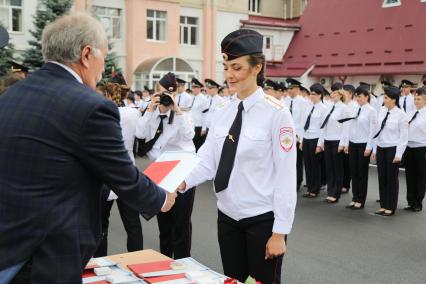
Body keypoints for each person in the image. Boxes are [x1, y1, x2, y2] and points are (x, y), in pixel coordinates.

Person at [0, 13, 176, 283]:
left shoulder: (12, 95)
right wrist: (162, 198)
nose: (103, 67)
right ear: (85, 54)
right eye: (103, 56)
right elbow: (123, 177)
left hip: (10, 249)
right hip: (46, 259)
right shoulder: (90, 105)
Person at [178, 29, 296, 283]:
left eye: (237, 67)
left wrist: (280, 232)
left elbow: (286, 176)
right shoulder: (221, 110)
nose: (229, 75)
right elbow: (207, 160)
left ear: (257, 67)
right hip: (228, 218)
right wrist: (180, 181)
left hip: (262, 221)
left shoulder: (277, 114)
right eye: (226, 67)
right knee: (233, 280)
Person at [136, 72, 196, 259]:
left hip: (181, 170)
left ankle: (183, 262)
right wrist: (151, 110)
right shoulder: (150, 112)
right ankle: (165, 260)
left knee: (181, 222)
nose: (165, 98)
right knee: (164, 221)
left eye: (169, 95)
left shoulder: (183, 114)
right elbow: (140, 133)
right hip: (160, 170)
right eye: (162, 94)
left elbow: (189, 136)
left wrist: (176, 110)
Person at [94, 82, 144, 257]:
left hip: (105, 173)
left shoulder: (100, 112)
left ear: (107, 95)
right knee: (132, 225)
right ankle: (137, 261)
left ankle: (100, 263)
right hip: (127, 171)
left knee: (101, 224)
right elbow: (142, 136)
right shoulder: (133, 112)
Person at [372, 86, 409, 216]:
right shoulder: (381, 110)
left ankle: (390, 206)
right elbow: (377, 130)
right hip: (381, 148)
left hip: (392, 149)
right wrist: (375, 149)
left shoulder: (401, 115)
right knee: (382, 177)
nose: (384, 99)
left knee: (392, 179)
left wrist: (399, 155)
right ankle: (383, 204)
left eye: (386, 97)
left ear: (393, 100)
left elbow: (403, 138)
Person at [342, 85, 377, 210]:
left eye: (360, 96)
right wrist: (346, 143)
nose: (357, 99)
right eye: (356, 96)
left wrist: (369, 147)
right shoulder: (355, 108)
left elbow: (372, 131)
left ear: (367, 97)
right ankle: (355, 197)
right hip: (353, 143)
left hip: (363, 144)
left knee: (362, 173)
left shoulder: (371, 111)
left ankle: (361, 199)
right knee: (354, 172)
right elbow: (349, 127)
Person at [319, 83, 349, 203]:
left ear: (340, 95)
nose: (332, 94)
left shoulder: (344, 108)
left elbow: (345, 127)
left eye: (335, 93)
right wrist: (321, 142)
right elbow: (324, 126)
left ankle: (336, 194)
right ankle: (330, 191)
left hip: (337, 141)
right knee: (329, 167)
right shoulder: (329, 107)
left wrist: (342, 143)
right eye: (332, 93)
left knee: (337, 168)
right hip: (328, 140)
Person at [300, 83, 327, 198]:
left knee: (315, 165)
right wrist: (301, 140)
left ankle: (315, 189)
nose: (311, 96)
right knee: (307, 164)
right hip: (306, 138)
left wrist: (320, 144)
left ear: (320, 95)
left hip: (316, 138)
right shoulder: (308, 106)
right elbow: (302, 123)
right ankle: (310, 187)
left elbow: (323, 128)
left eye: (314, 94)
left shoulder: (324, 108)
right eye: (311, 94)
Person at [404, 87, 426, 212]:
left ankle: (418, 202)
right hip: (409, 147)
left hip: (422, 147)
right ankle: (410, 201)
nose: (416, 101)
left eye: (419, 99)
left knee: (420, 176)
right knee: (410, 175)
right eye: (415, 99)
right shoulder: (410, 112)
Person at [286, 78, 307, 191]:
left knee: (297, 161)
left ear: (297, 89)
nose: (289, 90)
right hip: (286, 136)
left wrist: (300, 137)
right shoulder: (286, 101)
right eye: (288, 88)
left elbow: (303, 122)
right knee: (287, 161)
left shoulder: (303, 102)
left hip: (297, 136)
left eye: (292, 88)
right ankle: (288, 182)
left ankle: (297, 181)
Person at [341, 84, 358, 194]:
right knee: (339, 164)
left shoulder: (354, 106)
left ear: (350, 94)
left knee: (347, 164)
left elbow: (349, 123)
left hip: (348, 137)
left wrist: (346, 141)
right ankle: (339, 183)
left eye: (344, 92)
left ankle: (345, 184)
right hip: (337, 136)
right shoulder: (340, 104)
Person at [189, 77, 209, 151]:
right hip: (191, 125)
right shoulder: (191, 97)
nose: (193, 89)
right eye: (192, 87)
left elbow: (205, 115)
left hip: (199, 127)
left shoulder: (203, 99)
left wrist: (204, 128)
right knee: (191, 147)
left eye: (195, 87)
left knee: (198, 147)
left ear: (199, 88)